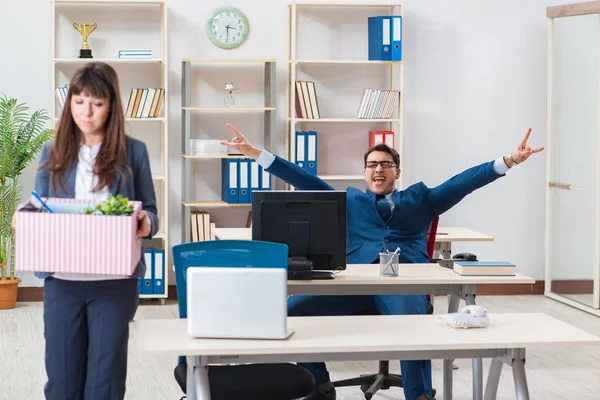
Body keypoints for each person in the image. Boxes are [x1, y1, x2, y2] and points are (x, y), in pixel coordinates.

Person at [221, 123, 543, 400]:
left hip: (403, 285)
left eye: (385, 164)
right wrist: (256, 154)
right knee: (292, 311)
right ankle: (319, 387)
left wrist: (508, 161)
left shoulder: (420, 198)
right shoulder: (349, 200)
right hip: (355, 285)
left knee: (410, 326)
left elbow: (462, 182)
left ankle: (418, 395)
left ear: (397, 172)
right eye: (372, 164)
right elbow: (304, 180)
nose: (378, 169)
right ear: (364, 172)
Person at [32, 62, 159, 400]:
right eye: (78, 101)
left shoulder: (134, 151)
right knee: (61, 380)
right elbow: (38, 206)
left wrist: (145, 221)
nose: (86, 112)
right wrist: (24, 214)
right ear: (69, 102)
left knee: (104, 381)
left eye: (97, 103)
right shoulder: (52, 151)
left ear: (111, 105)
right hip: (62, 282)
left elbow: (151, 211)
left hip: (114, 284)